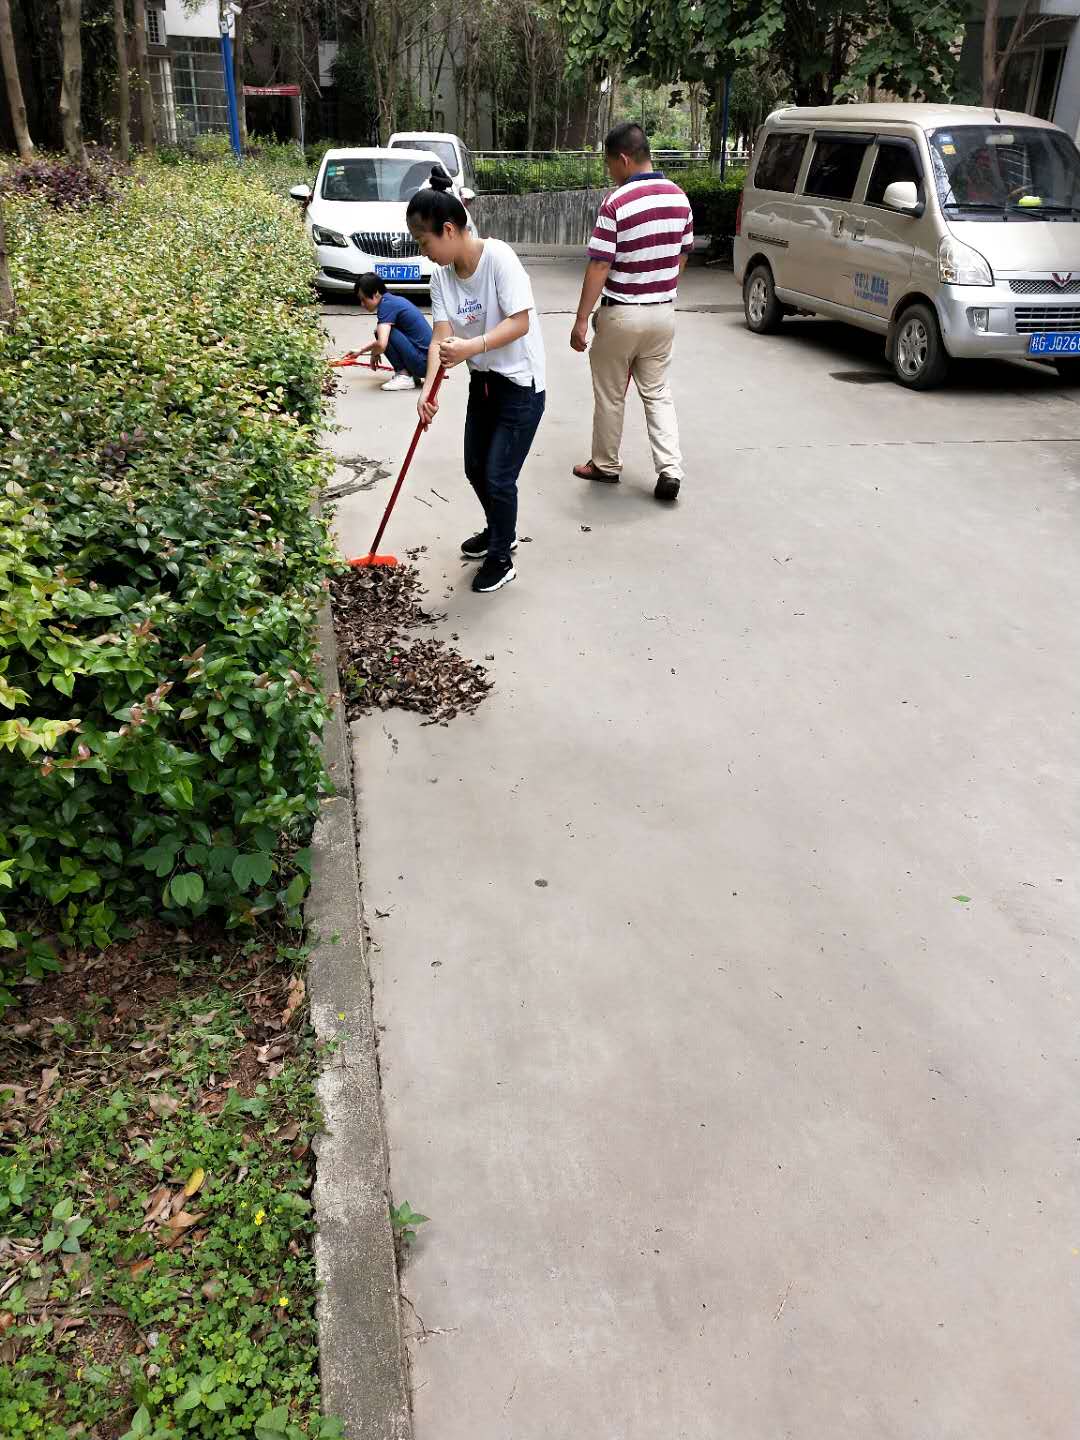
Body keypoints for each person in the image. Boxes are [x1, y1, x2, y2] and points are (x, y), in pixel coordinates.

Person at [406, 168, 546, 595]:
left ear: (449, 230)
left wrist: (472, 346)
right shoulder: (441, 277)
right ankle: (500, 529)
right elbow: (440, 338)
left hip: (520, 385)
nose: (424, 252)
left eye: (424, 242)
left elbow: (520, 323)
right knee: (475, 468)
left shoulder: (498, 258)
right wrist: (428, 391)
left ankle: (501, 558)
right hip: (482, 383)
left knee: (499, 474)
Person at [570, 122, 694, 502]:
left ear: (623, 159)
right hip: (663, 314)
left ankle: (605, 465)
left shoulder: (616, 203)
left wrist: (581, 319)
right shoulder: (679, 198)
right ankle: (670, 469)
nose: (610, 172)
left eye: (610, 164)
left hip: (622, 313)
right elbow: (682, 254)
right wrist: (662, 288)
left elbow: (599, 265)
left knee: (611, 394)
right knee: (657, 392)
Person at [354, 273, 433, 392]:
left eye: (363, 299)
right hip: (430, 363)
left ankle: (404, 376)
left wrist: (372, 353)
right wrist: (363, 350)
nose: (362, 304)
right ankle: (410, 375)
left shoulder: (386, 306)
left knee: (381, 333)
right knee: (382, 331)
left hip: (423, 364)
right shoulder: (391, 301)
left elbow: (382, 343)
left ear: (376, 293)